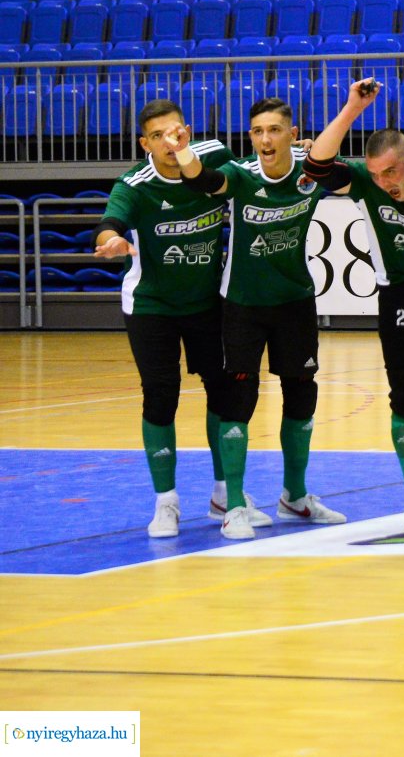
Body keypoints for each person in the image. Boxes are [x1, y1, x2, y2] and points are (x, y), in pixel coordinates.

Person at [172, 99, 350, 539]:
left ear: (292, 134)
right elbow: (204, 179)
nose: (265, 139)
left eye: (274, 130)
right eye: (257, 131)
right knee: (238, 402)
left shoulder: (312, 176)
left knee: (301, 396)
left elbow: (354, 177)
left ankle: (295, 496)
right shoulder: (240, 176)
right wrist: (182, 152)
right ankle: (233, 504)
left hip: (295, 303)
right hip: (242, 305)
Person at [302, 83, 404, 534]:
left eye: (393, 172)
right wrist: (353, 108)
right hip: (398, 290)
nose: (386, 183)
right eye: (378, 175)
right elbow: (316, 164)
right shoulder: (365, 182)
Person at [95, 102, 258, 539]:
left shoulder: (216, 156)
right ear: (145, 143)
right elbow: (110, 222)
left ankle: (225, 493)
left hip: (207, 303)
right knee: (160, 396)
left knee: (223, 391)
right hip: (152, 307)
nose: (171, 143)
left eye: (176, 132)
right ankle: (166, 501)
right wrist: (110, 242)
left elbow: (253, 171)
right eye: (159, 136)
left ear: (186, 132)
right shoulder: (135, 185)